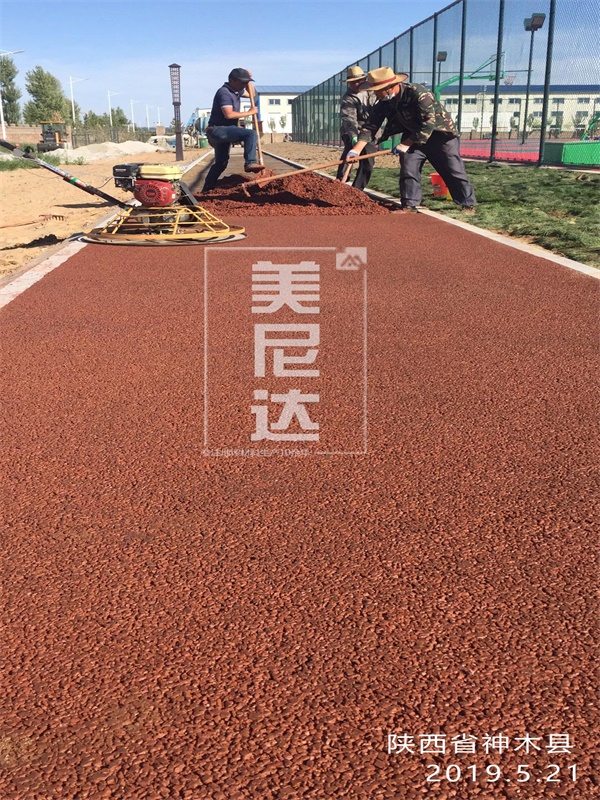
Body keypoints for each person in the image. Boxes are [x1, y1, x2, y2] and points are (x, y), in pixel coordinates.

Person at [346, 66, 476, 212]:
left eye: (377, 90)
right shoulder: (384, 101)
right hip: (412, 134)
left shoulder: (419, 93)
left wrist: (406, 144)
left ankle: (467, 203)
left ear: (389, 87)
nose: (375, 94)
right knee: (408, 167)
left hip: (440, 136)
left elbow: (428, 124)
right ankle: (409, 204)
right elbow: (371, 126)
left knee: (452, 169)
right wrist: (355, 150)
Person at [202, 68, 265, 192]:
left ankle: (207, 188)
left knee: (221, 163)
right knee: (251, 134)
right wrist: (250, 112)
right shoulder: (224, 93)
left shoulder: (237, 91)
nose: (244, 85)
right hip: (217, 131)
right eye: (242, 82)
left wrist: (248, 81)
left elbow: (252, 94)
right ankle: (250, 162)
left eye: (245, 83)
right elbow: (229, 114)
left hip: (226, 131)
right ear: (232, 80)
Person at [336, 66, 378, 190]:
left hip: (370, 131)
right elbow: (349, 119)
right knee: (349, 153)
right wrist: (354, 137)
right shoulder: (348, 98)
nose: (356, 84)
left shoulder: (373, 92)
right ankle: (340, 182)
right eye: (353, 82)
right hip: (351, 130)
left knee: (368, 161)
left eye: (359, 81)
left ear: (365, 80)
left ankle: (357, 190)